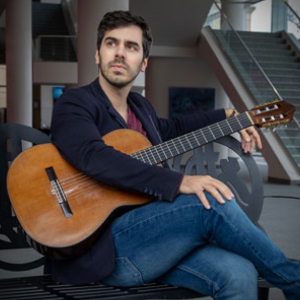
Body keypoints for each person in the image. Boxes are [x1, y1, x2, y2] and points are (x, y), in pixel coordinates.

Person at [50, 10, 300, 300]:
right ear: (97, 54)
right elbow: (93, 156)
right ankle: (293, 281)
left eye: (131, 46)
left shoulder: (140, 107)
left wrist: (234, 117)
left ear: (143, 63)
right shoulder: (75, 103)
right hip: (105, 249)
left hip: (160, 240)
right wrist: (178, 181)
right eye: (111, 43)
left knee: (239, 273)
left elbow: (175, 128)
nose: (120, 53)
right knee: (207, 198)